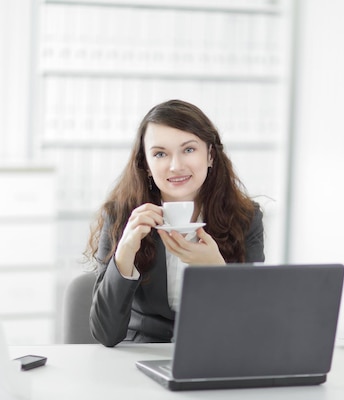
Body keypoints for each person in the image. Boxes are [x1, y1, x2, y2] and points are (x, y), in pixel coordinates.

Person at [85, 99, 265, 347]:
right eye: (160, 154)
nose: (176, 166)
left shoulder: (245, 218)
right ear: (146, 165)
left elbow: (252, 325)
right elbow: (106, 334)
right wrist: (125, 252)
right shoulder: (121, 215)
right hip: (142, 355)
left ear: (210, 155)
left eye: (189, 150)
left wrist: (218, 269)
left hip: (214, 351)